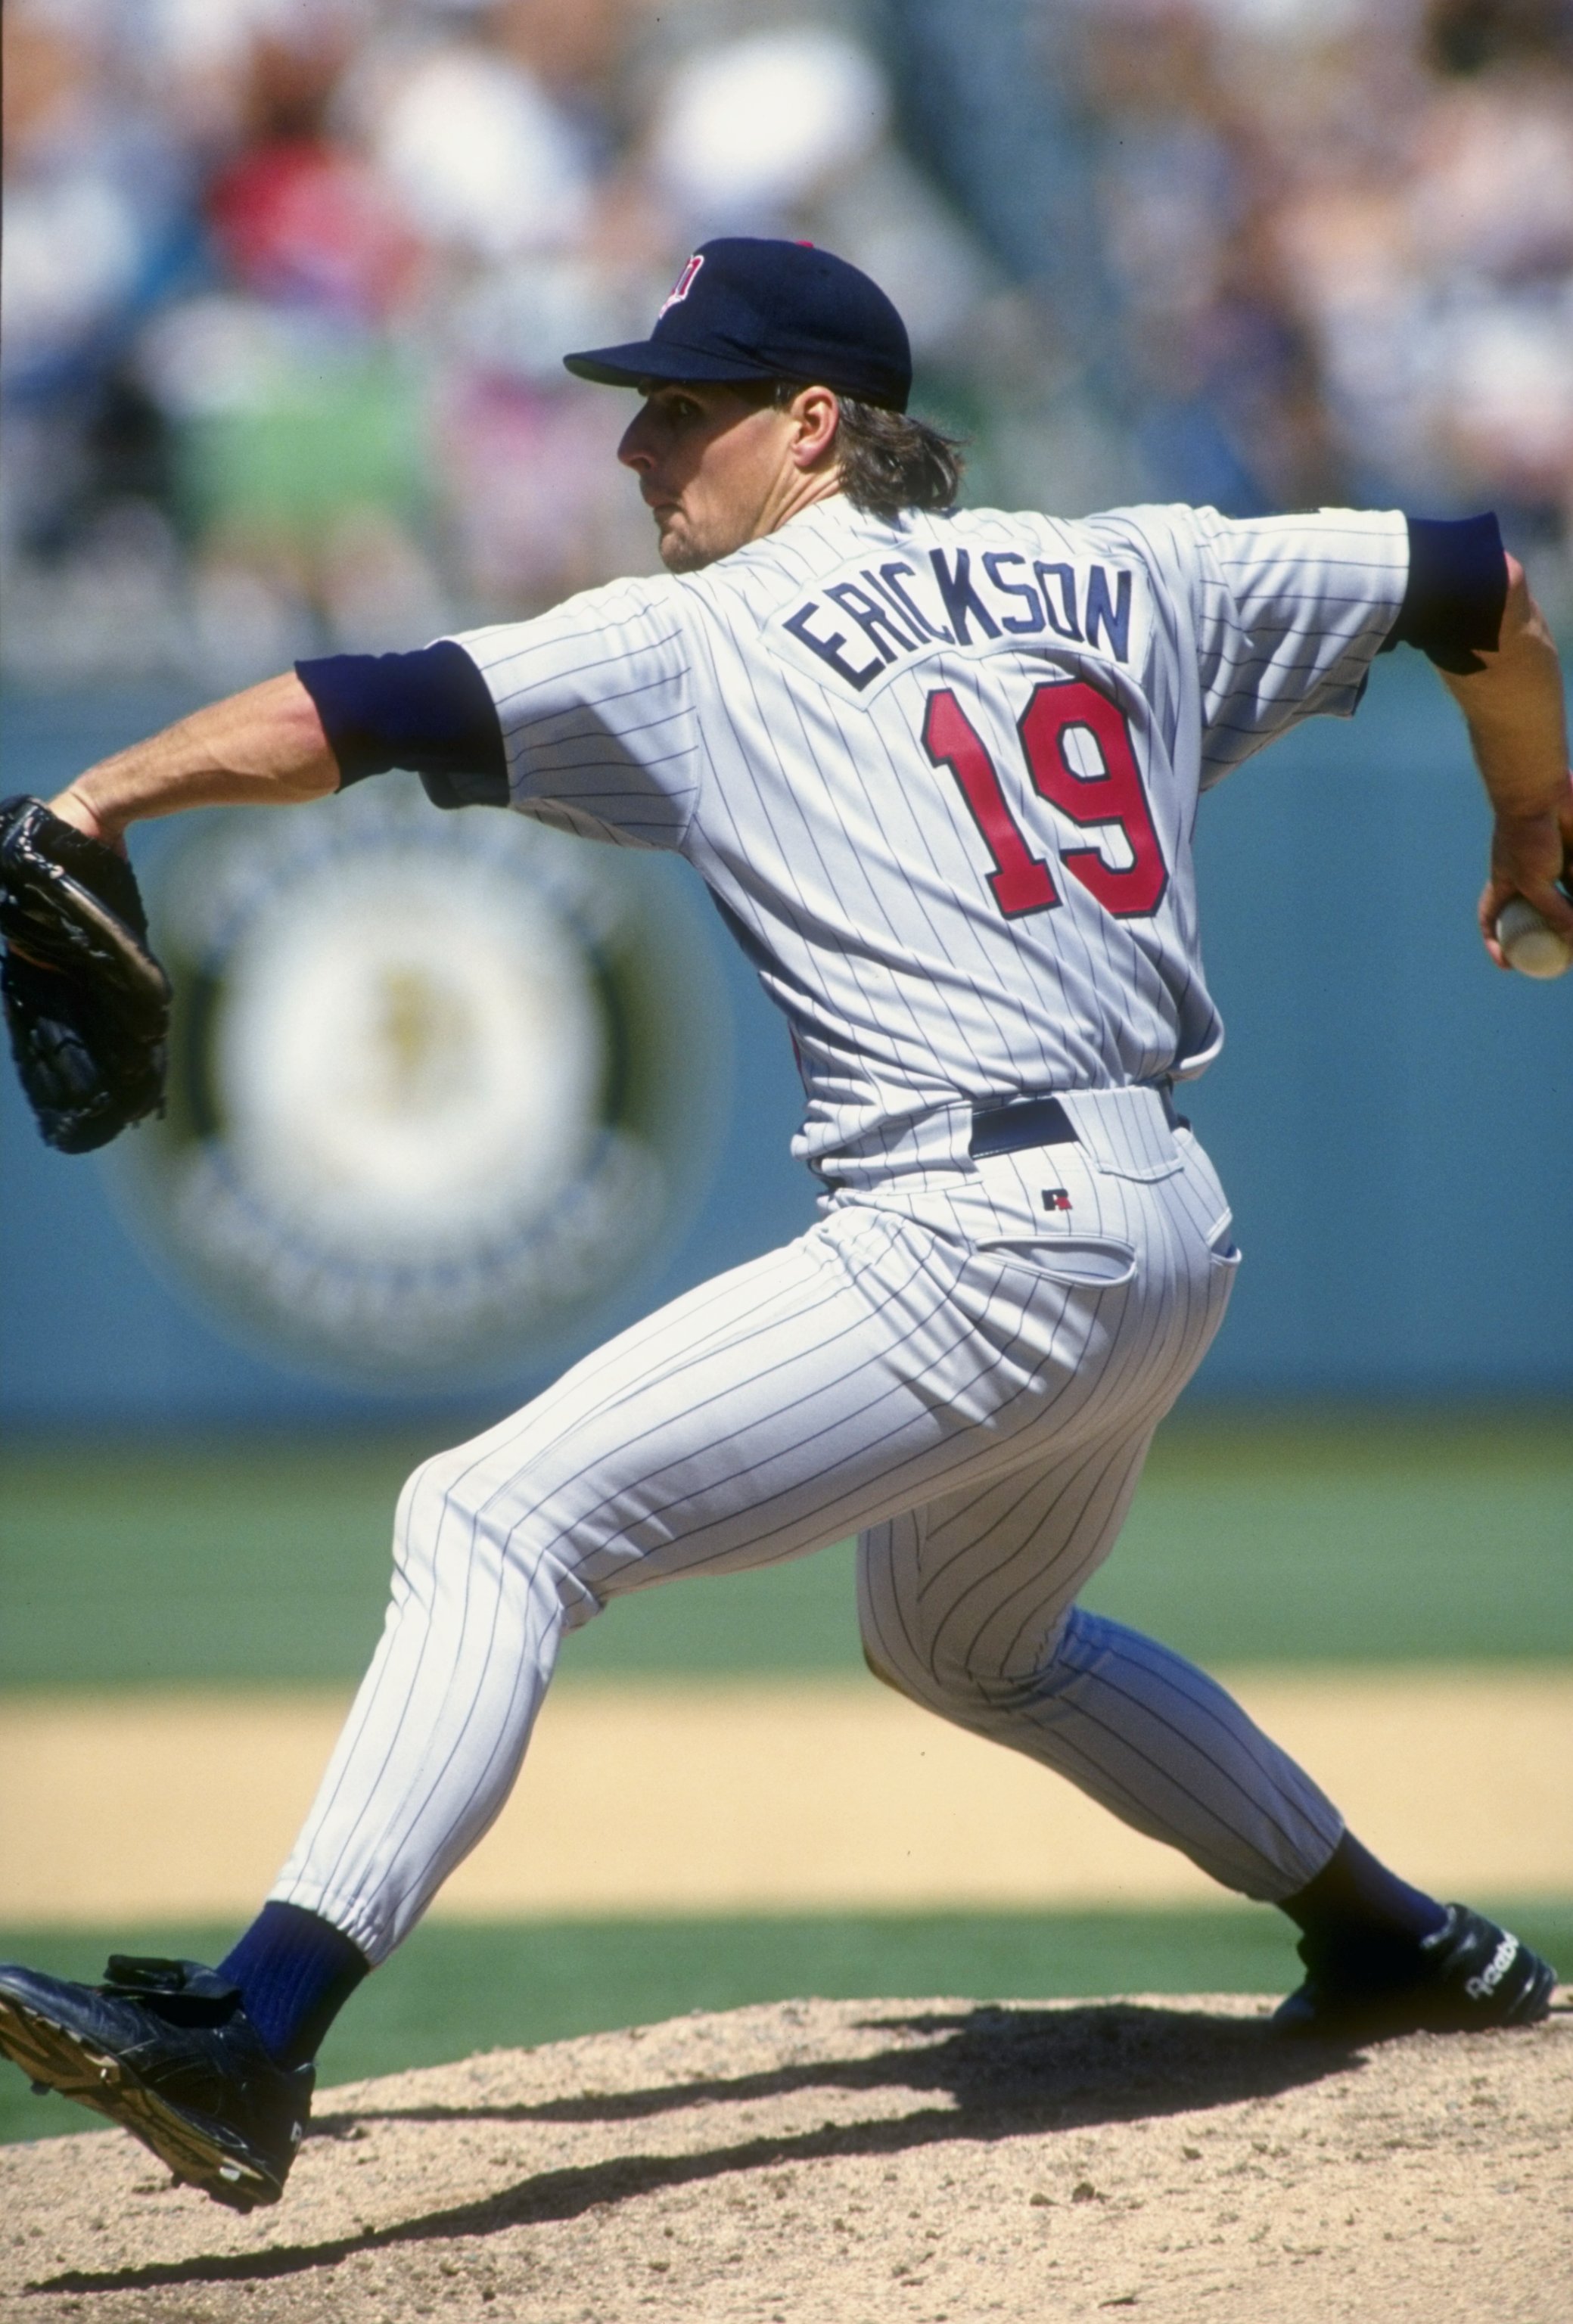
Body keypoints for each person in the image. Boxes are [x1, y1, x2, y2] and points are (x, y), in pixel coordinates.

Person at [0, 238, 1566, 2214]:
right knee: (969, 1642)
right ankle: (1398, 1937)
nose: (643, 450)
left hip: (980, 1236)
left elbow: (368, 704)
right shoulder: (1143, 565)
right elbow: (1478, 585)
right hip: (1168, 1228)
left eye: (682, 407)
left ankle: (251, 2033)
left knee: (488, 1517)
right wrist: (1533, 819)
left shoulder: (709, 637)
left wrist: (101, 801)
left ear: (814, 427)